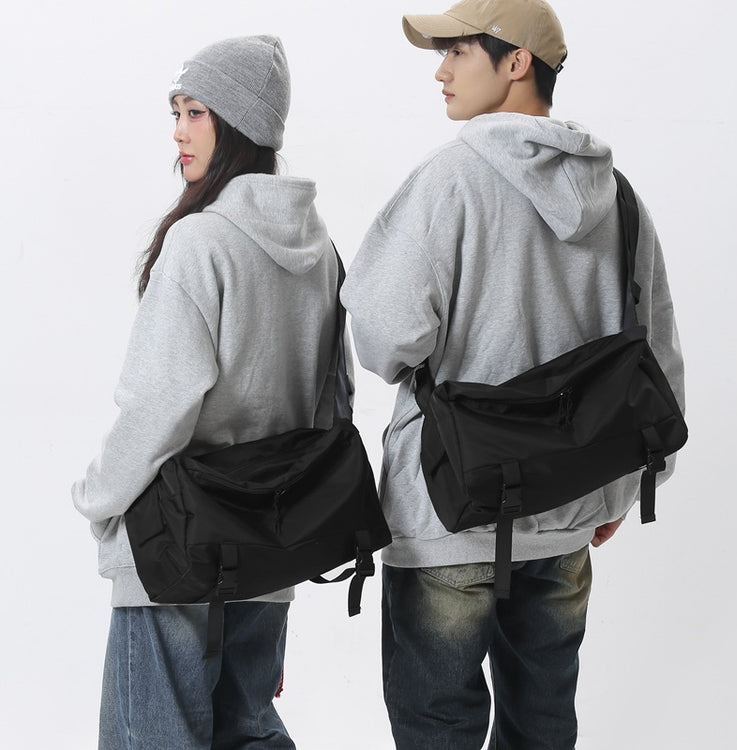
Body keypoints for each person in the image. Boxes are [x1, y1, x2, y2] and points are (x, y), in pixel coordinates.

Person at [340, 1, 685, 748]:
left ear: (517, 61)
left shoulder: (449, 181)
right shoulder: (618, 197)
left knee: (438, 729)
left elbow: (383, 338)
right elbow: (655, 352)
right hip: (568, 509)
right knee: (543, 726)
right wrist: (627, 485)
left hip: (452, 510)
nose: (441, 71)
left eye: (458, 51)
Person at [72, 35, 339, 749]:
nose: (178, 131)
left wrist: (98, 500)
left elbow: (158, 404)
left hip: (176, 547)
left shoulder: (199, 243)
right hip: (268, 542)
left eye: (195, 112)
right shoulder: (320, 251)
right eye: (177, 112)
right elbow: (328, 402)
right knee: (247, 731)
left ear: (239, 123)